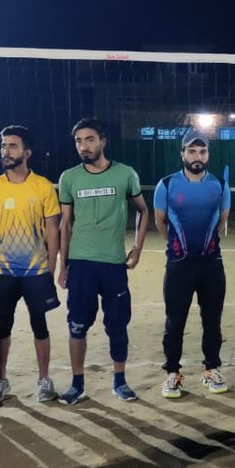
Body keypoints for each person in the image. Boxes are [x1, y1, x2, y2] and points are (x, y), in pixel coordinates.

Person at [57, 117, 150, 404]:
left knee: (117, 325)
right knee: (77, 326)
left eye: (89, 139)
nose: (83, 146)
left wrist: (137, 247)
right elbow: (65, 223)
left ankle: (120, 381)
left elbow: (143, 211)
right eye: (78, 141)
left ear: (102, 141)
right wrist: (63, 265)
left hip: (113, 263)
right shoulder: (69, 178)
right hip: (81, 263)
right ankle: (77, 384)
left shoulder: (125, 174)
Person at [0, 125, 62, 403]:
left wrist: (51, 266)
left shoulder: (42, 186)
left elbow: (52, 230)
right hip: (2, 271)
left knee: (40, 325)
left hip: (36, 270)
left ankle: (44, 379)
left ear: (26, 152)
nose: (6, 151)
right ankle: (1, 379)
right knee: (4, 326)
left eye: (12, 146)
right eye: (3, 146)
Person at [153, 133, 231, 398]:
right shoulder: (166, 184)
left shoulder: (220, 185)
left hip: (211, 265)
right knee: (175, 322)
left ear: (208, 155)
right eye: (192, 151)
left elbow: (222, 221)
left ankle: (212, 370)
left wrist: (205, 247)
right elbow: (160, 223)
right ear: (182, 154)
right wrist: (180, 249)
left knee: (212, 321)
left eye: (202, 152)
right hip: (179, 266)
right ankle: (173, 374)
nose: (197, 156)